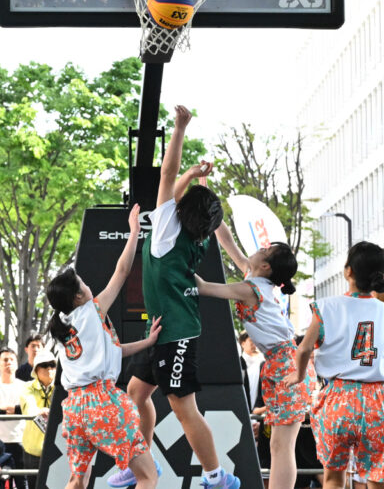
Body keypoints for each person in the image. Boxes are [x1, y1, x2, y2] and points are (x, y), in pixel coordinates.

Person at [121, 105, 240, 489]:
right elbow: (181, 193)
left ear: (180, 210)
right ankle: (142, 461)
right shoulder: (197, 237)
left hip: (177, 334)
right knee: (136, 393)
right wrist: (195, 179)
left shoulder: (164, 231)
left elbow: (166, 175)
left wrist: (180, 127)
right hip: (162, 329)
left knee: (183, 407)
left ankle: (215, 475)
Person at [45, 204, 162, 489]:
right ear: (77, 297)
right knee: (148, 476)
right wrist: (134, 232)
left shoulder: (64, 324)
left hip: (74, 408)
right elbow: (122, 271)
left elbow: (113, 351)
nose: (88, 286)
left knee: (77, 480)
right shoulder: (91, 311)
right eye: (83, 283)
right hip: (101, 402)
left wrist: (146, 342)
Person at [290, 241, 384, 489]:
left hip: (337, 400)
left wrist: (298, 376)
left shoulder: (325, 308)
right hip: (376, 403)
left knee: (333, 479)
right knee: (379, 479)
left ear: (348, 271)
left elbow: (304, 349)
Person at [195, 226, 308, 489]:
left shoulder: (251, 288)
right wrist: (213, 213)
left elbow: (203, 287)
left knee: (282, 445)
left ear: (266, 266)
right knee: (279, 444)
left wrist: (171, 259)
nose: (261, 247)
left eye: (266, 250)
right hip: (284, 362)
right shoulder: (256, 279)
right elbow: (227, 241)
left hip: (285, 364)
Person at [0, 347, 27, 488]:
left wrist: (6, 410)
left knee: (23, 481)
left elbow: (27, 410)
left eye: (12, 359)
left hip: (22, 440)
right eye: (5, 360)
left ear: (17, 363)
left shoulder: (26, 387)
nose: (9, 362)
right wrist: (14, 410)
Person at [19, 349, 57, 472]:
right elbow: (29, 408)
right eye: (44, 365)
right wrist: (39, 411)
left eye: (52, 364)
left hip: (58, 449)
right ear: (36, 369)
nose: (49, 368)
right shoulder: (27, 387)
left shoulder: (63, 387)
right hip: (33, 449)